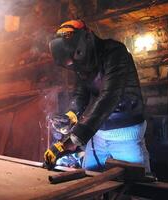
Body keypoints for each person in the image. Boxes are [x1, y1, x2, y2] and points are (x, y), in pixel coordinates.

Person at [44, 20, 150, 172]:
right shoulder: (81, 62)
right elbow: (81, 94)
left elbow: (109, 97)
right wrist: (71, 115)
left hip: (125, 134)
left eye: (75, 59)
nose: (75, 66)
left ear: (88, 38)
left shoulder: (115, 53)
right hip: (98, 134)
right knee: (90, 179)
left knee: (134, 186)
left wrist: (72, 140)